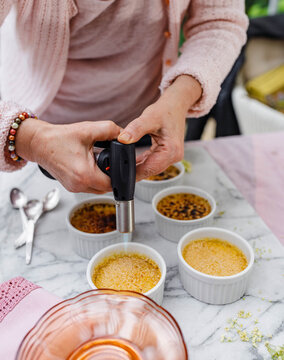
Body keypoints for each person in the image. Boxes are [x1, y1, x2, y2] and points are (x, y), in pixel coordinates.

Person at [0, 0, 248, 194]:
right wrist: (31, 140)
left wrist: (179, 98)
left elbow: (219, 21)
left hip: (147, 122)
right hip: (42, 130)